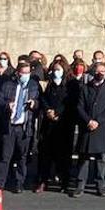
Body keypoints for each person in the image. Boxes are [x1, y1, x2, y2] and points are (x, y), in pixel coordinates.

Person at [0, 61, 41, 194]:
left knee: (22, 157)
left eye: (28, 73)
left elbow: (40, 102)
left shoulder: (34, 86)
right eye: (23, 73)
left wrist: (34, 103)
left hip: (24, 126)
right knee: (5, 156)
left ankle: (19, 183)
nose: (25, 75)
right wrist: (7, 105)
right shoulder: (8, 85)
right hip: (10, 125)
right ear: (18, 73)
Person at [74, 60, 105, 197]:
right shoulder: (85, 88)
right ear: (93, 72)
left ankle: (100, 186)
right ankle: (80, 185)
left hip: (101, 127)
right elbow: (79, 107)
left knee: (100, 159)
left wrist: (98, 121)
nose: (100, 74)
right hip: (87, 126)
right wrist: (88, 120)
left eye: (103, 72)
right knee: (83, 158)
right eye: (98, 71)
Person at [35, 61, 76, 193]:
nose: (56, 72)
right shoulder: (48, 84)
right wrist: (48, 111)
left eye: (58, 70)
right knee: (45, 155)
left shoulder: (71, 85)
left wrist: (58, 112)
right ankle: (43, 181)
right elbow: (42, 99)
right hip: (48, 125)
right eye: (54, 70)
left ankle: (64, 182)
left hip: (64, 124)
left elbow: (70, 103)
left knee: (63, 156)